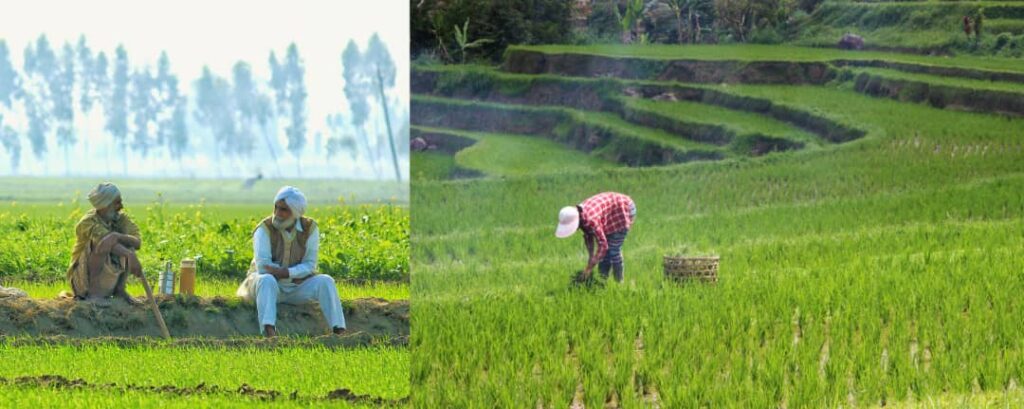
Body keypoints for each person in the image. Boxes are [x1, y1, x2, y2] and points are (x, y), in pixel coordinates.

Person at [236, 186, 346, 338]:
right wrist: (295, 273)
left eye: (283, 210)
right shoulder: (264, 229)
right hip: (263, 287)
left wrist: (287, 273)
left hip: (295, 287)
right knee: (267, 280)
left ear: (296, 212)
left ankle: (340, 332)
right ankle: (269, 333)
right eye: (276, 207)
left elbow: (310, 264)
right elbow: (263, 267)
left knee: (325, 281)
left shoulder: (310, 229)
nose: (277, 213)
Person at [65, 183, 143, 302]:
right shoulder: (87, 222)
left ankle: (119, 290)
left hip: (109, 279)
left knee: (126, 243)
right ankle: (93, 294)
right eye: (117, 203)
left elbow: (137, 242)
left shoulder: (120, 218)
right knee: (102, 243)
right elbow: (106, 241)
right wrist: (129, 254)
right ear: (104, 206)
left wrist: (117, 236)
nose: (121, 206)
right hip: (83, 280)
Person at [555, 192, 636, 282]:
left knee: (613, 250)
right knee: (604, 254)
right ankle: (603, 280)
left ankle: (619, 282)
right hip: (611, 215)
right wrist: (591, 257)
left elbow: (603, 245)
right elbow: (588, 235)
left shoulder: (591, 219)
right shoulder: (580, 215)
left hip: (623, 209)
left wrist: (590, 266)